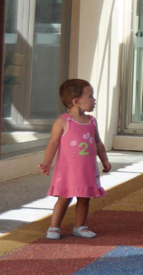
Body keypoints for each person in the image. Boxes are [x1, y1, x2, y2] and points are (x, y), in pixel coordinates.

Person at [38, 79, 111, 240]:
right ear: (76, 101)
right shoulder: (63, 121)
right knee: (64, 198)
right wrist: (47, 162)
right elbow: (53, 142)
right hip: (68, 171)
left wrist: (104, 159)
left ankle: (80, 226)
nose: (94, 99)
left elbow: (98, 142)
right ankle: (54, 227)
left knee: (84, 198)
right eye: (90, 96)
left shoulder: (91, 121)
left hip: (87, 170)